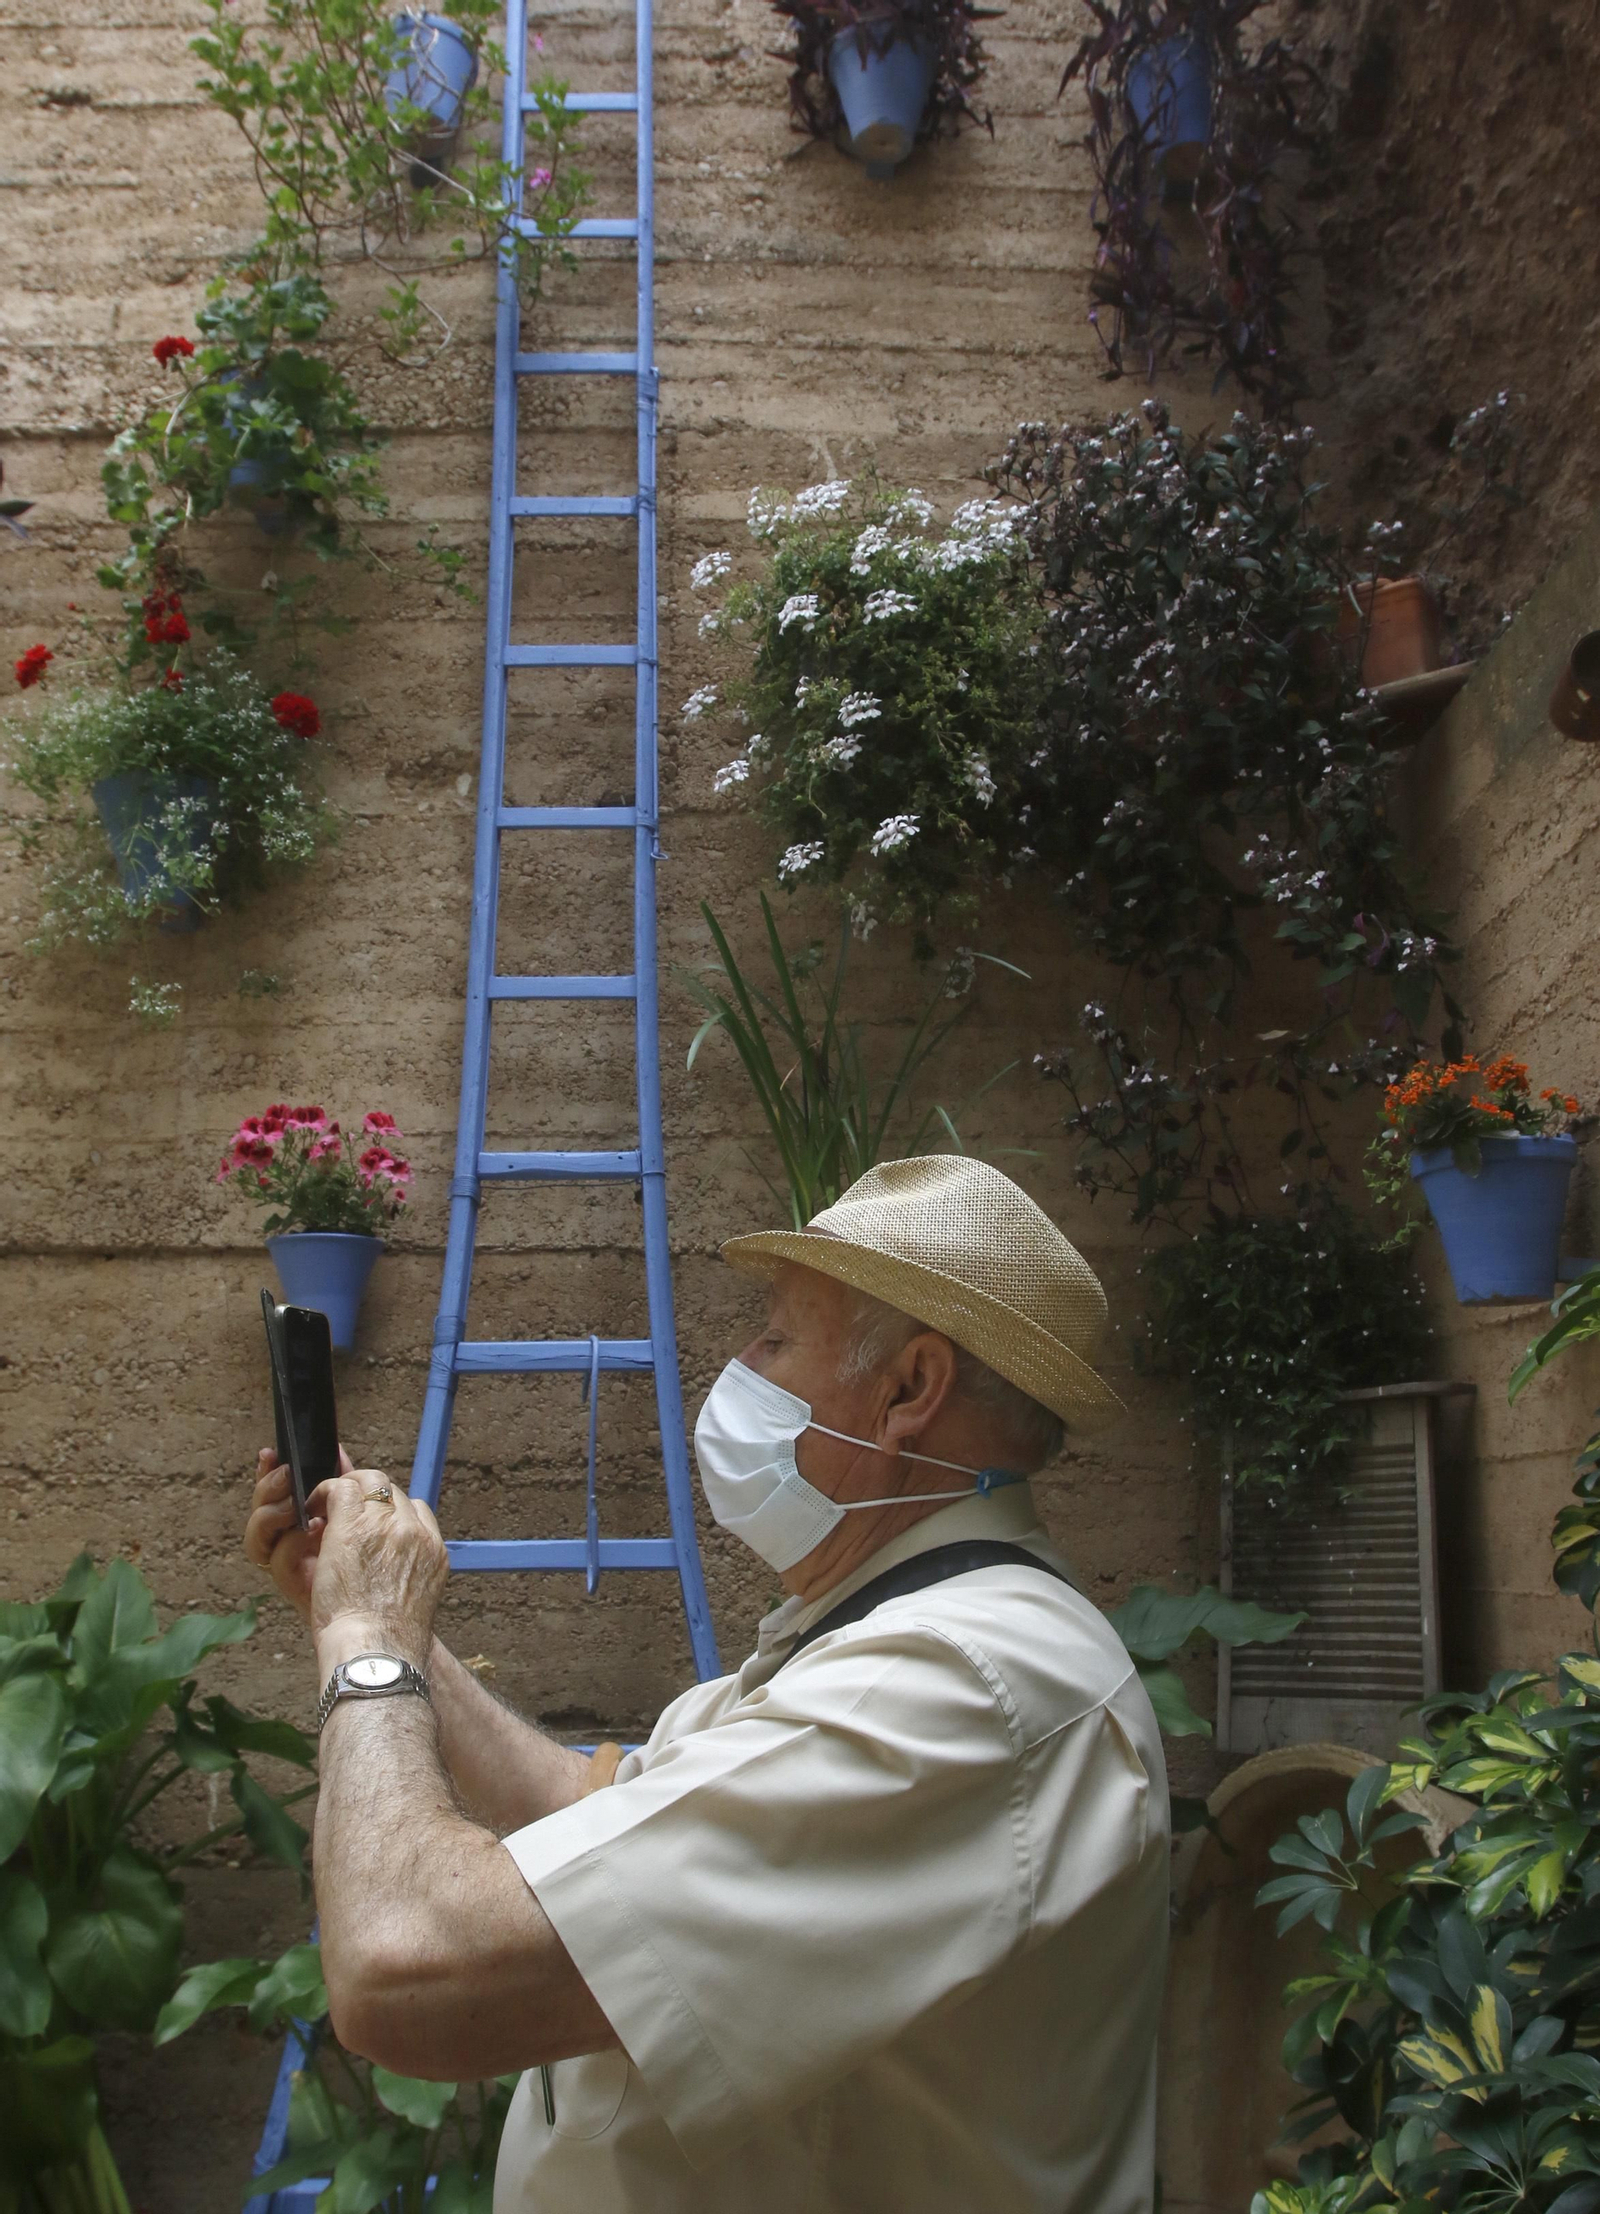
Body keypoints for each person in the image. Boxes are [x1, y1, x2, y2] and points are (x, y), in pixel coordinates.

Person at [244, 1154, 1171, 2213]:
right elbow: (593, 1817)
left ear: (910, 1389)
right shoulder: (886, 1641)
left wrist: (366, 1634)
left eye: (776, 1336)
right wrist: (366, 1615)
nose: (739, 1363)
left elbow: (403, 1966)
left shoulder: (959, 1687)